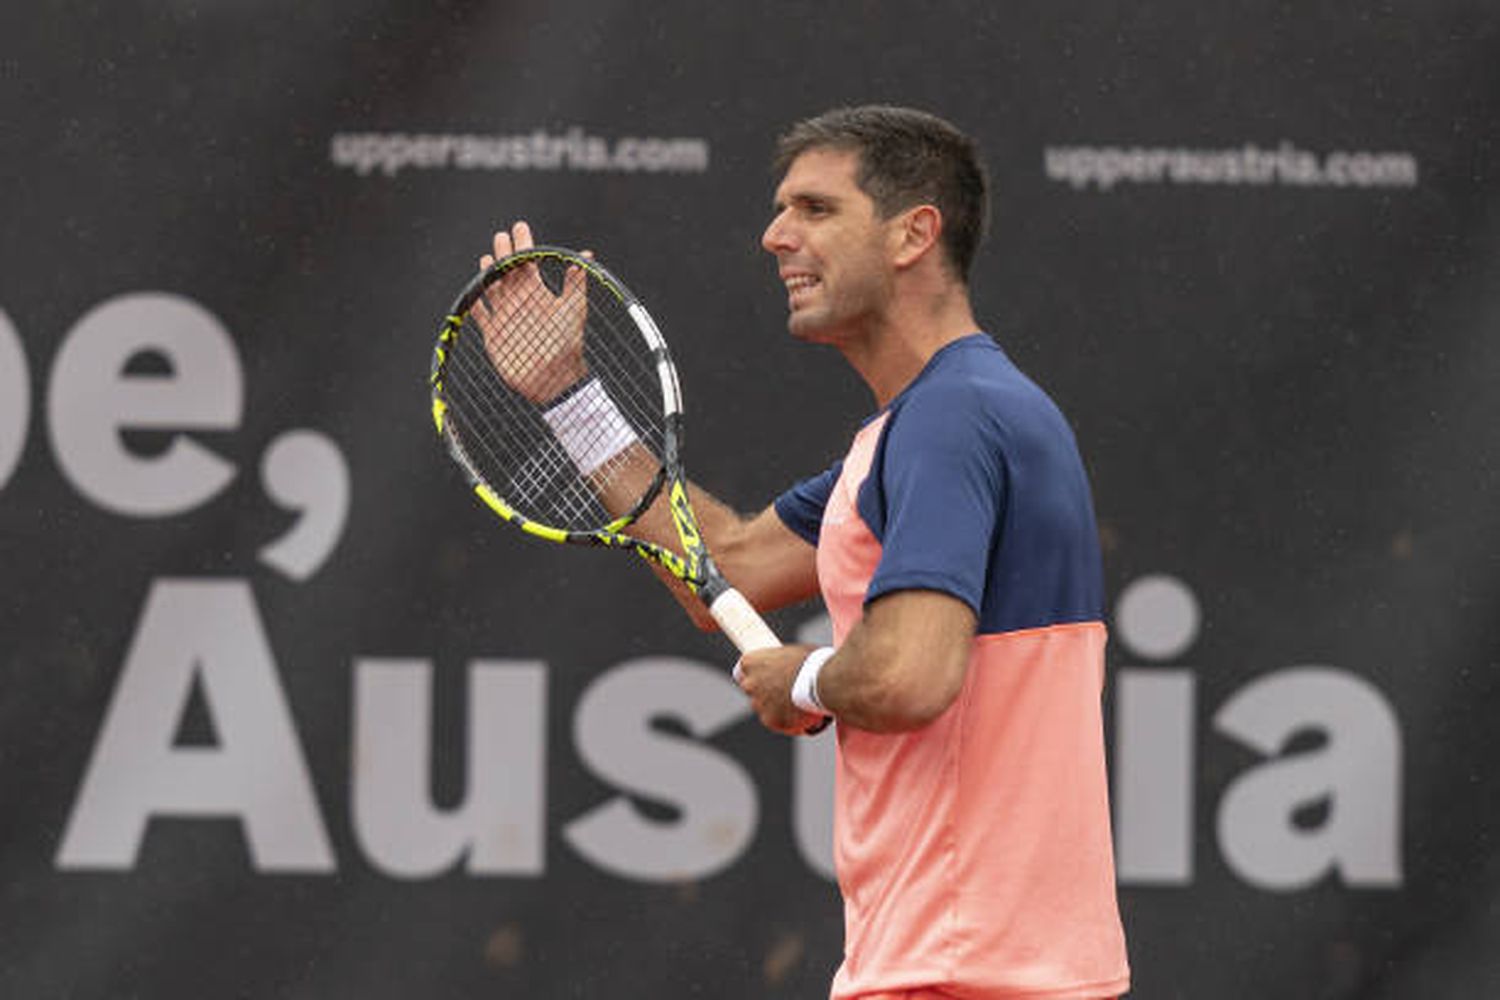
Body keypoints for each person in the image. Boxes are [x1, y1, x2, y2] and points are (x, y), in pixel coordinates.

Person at [482, 105, 1129, 1000]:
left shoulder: (953, 419)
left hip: (958, 972)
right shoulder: (939, 422)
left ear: (914, 234)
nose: (775, 235)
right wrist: (568, 395)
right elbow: (731, 570)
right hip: (1004, 967)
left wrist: (805, 680)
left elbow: (910, 675)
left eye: (816, 210)